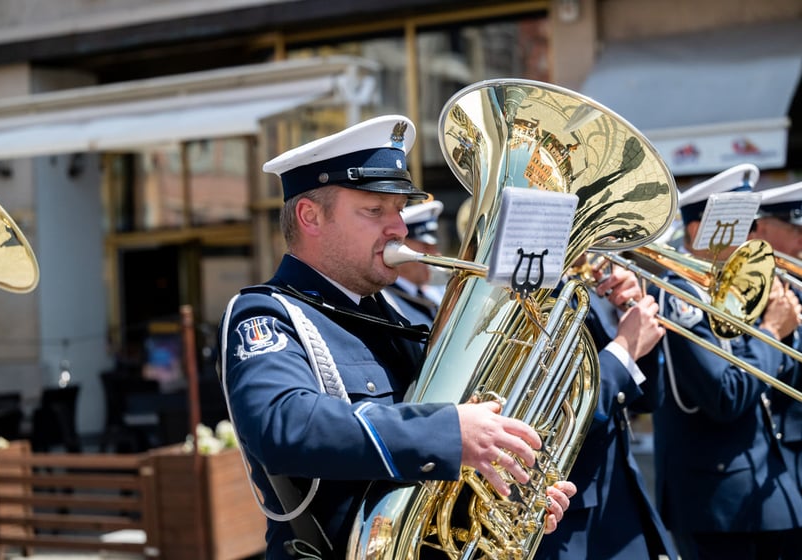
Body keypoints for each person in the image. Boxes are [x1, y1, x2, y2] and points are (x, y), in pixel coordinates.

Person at [217, 115, 576, 559]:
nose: (400, 228)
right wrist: (449, 430)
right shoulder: (267, 313)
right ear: (310, 217)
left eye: (399, 209)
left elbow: (422, 472)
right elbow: (284, 425)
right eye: (375, 210)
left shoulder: (392, 318)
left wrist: (509, 484)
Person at [654, 163, 802, 560]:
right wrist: (773, 331)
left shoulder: (738, 286)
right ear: (695, 231)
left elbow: (785, 377)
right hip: (716, 501)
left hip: (771, 492)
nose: (751, 238)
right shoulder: (681, 294)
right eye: (737, 225)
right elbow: (724, 395)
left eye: (751, 226)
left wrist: (786, 326)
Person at [535, 255, 677, 560]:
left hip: (618, 504)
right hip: (567, 521)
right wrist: (624, 349)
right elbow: (554, 418)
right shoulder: (530, 296)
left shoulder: (577, 289)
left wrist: (628, 312)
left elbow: (647, 401)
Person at [751, 180, 802, 491]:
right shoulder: (754, 286)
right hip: (771, 453)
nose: (801, 242)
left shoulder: (794, 280)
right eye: (796, 232)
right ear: (762, 231)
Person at [382, 199, 445, 326]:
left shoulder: (431, 292)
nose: (436, 254)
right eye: (426, 247)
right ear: (398, 246)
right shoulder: (385, 299)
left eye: (434, 247)